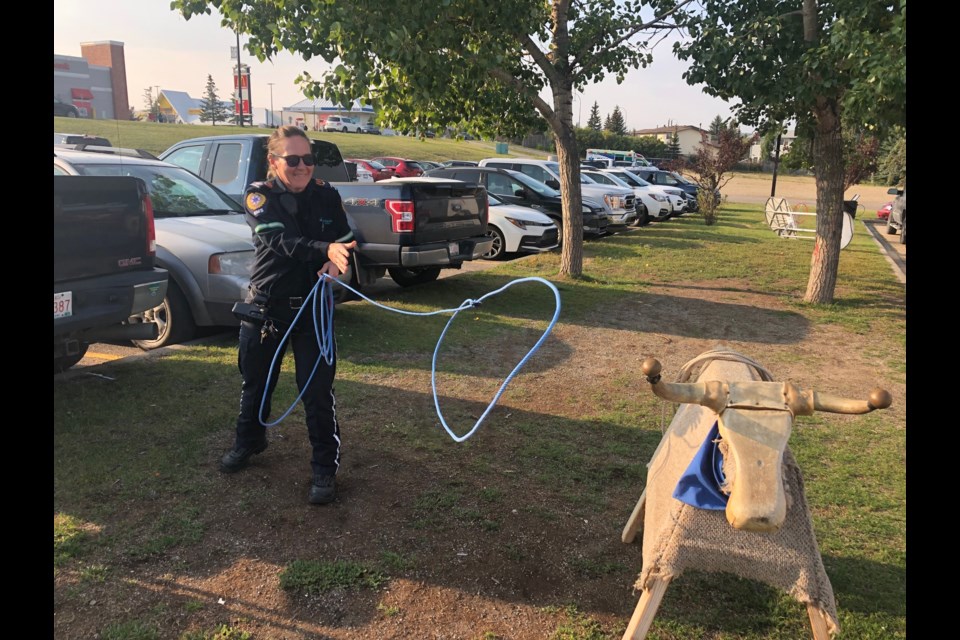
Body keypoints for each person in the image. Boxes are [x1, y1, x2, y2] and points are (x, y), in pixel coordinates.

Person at [219, 125, 357, 505]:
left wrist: (337, 261)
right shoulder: (258, 196)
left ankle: (324, 469)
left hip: (312, 310)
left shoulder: (327, 196)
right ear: (274, 161)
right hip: (267, 308)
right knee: (256, 383)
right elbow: (279, 241)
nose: (302, 167)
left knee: (316, 392)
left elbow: (346, 240)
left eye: (308, 160)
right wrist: (325, 250)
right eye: (293, 160)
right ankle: (249, 441)